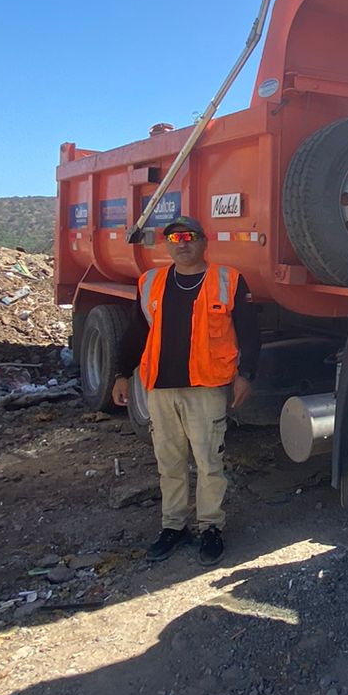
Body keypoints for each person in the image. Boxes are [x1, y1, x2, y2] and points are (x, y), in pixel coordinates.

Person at [111, 215, 260, 566]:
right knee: (170, 462)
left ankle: (211, 528)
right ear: (168, 245)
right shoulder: (150, 282)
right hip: (160, 390)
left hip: (206, 388)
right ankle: (173, 527)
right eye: (175, 238)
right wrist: (121, 374)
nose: (183, 243)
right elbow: (136, 332)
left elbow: (250, 332)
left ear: (204, 242)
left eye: (190, 237)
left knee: (209, 463)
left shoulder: (228, 280)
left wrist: (246, 374)